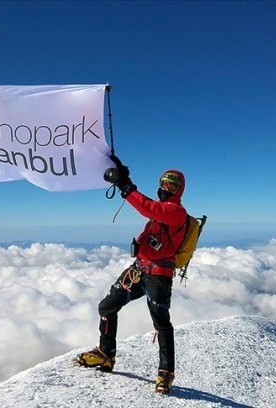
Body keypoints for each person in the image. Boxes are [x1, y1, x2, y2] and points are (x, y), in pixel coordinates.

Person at [74, 154, 187, 395]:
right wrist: (125, 178)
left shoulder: (176, 212)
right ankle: (106, 354)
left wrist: (125, 187)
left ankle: (166, 373)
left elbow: (148, 207)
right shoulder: (162, 212)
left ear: (179, 190)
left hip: (158, 275)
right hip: (139, 269)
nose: (166, 188)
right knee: (107, 307)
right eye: (164, 183)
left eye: (172, 185)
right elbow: (148, 206)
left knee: (161, 323)